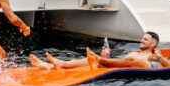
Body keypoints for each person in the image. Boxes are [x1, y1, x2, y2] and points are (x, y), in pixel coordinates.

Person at [30, 31, 161, 71]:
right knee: (90, 60)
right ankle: (56, 65)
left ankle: (98, 59)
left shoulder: (153, 55)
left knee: (95, 60)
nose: (141, 40)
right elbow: (122, 62)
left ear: (153, 44)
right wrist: (107, 56)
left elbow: (157, 63)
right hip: (119, 66)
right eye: (142, 38)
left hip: (141, 67)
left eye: (145, 39)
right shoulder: (135, 52)